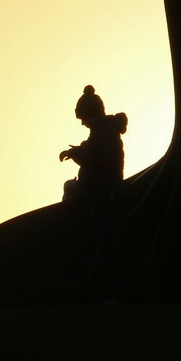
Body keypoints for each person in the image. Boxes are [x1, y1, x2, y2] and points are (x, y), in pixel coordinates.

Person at [59, 86, 128, 302]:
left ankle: (108, 294)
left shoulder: (104, 132)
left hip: (102, 196)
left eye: (83, 117)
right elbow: (92, 151)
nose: (82, 123)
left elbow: (95, 156)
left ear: (90, 115)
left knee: (104, 247)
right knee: (102, 245)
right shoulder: (102, 132)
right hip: (98, 194)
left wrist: (75, 152)